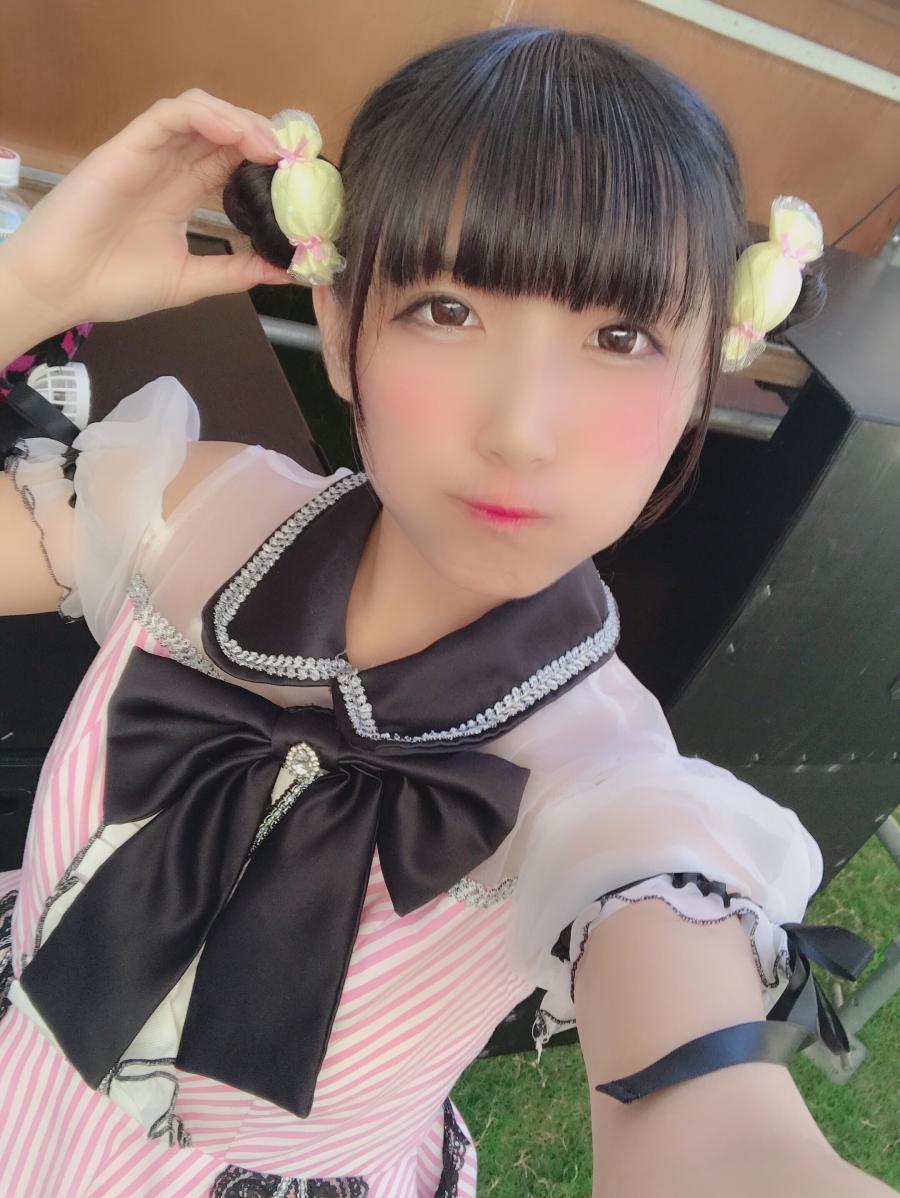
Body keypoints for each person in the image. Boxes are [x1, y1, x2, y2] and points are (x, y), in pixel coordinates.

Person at [0, 24, 891, 1198]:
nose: (521, 428)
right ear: (340, 327)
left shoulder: (610, 792)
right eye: (446, 310)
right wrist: (29, 288)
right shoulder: (192, 515)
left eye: (620, 336)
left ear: (698, 386)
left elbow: (719, 1141)